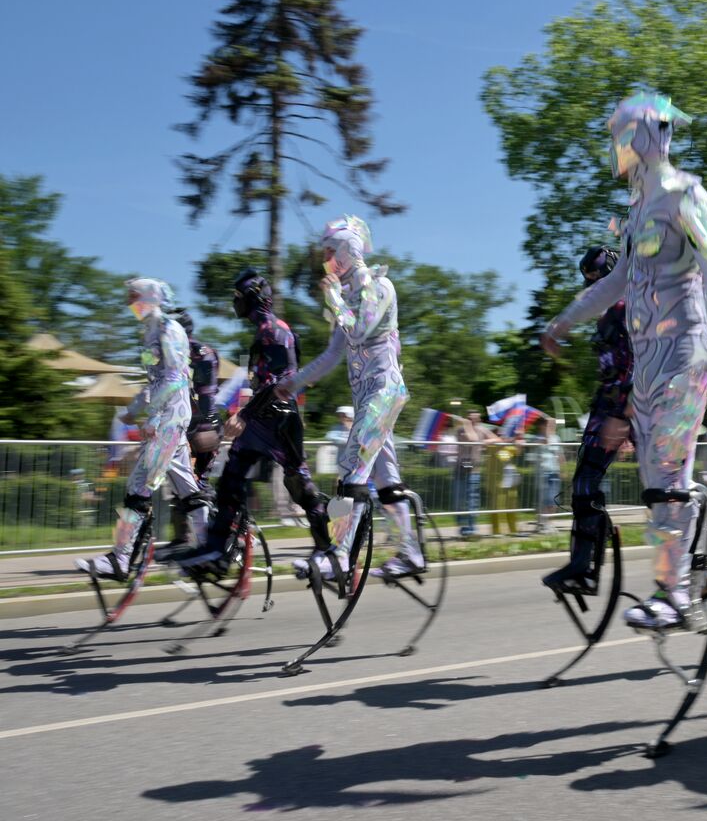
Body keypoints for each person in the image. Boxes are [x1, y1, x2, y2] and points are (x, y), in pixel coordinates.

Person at [543, 93, 707, 629]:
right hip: (648, 364)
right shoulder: (635, 214)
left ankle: (673, 595)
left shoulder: (685, 194)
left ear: (651, 137)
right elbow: (615, 283)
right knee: (661, 482)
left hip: (684, 352)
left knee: (668, 479)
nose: (620, 148)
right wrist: (562, 321)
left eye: (626, 137)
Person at [280, 215, 420, 580]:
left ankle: (340, 556)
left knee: (351, 468)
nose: (324, 259)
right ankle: (411, 553)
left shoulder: (380, 286)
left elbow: (358, 332)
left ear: (347, 248)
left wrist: (333, 297)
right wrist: (290, 385)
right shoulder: (350, 296)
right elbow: (331, 356)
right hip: (370, 398)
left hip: (383, 392)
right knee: (386, 478)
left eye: (329, 250)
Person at [180, 271, 334, 575]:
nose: (233, 303)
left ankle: (327, 547)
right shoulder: (262, 331)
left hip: (281, 420)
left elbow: (281, 383)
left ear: (251, 297)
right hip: (260, 420)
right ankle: (217, 551)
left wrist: (243, 415)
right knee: (231, 480)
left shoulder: (274, 332)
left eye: (237, 297)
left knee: (298, 483)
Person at [78, 280, 210, 580]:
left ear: (150, 297)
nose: (130, 303)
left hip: (171, 418)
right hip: (165, 419)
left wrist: (152, 418)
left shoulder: (170, 330)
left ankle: (121, 559)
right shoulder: (149, 332)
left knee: (138, 485)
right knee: (187, 489)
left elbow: (176, 378)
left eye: (133, 297)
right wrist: (131, 412)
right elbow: (154, 383)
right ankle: (207, 547)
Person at [542, 246, 633, 591]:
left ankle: (704, 562)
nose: (591, 284)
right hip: (608, 400)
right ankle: (583, 567)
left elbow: (643, 361)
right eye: (588, 279)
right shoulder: (604, 308)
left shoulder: (631, 306)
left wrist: (625, 416)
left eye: (598, 278)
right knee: (583, 483)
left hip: (636, 398)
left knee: (667, 492)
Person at [155, 307, 221, 559]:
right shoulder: (182, 354)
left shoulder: (198, 353)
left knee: (197, 486)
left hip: (202, 428)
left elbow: (204, 395)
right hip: (188, 426)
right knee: (182, 485)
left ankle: (231, 534)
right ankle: (184, 538)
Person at [453, 409, 495, 537]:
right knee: (459, 499)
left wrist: (486, 442)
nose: (471, 421)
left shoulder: (482, 429)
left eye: (474, 419)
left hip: (474, 469)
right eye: (469, 419)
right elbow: (472, 438)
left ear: (479, 420)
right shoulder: (461, 430)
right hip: (461, 467)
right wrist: (467, 426)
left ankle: (471, 528)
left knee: (472, 499)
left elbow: (497, 438)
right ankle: (462, 524)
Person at [535, 417, 563, 534]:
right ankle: (542, 523)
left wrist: (562, 468)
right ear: (543, 426)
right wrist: (546, 432)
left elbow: (559, 454)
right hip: (544, 472)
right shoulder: (538, 437)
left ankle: (549, 523)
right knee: (545, 499)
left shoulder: (557, 438)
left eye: (553, 424)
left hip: (554, 472)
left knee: (553, 499)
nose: (552, 426)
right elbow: (544, 442)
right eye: (549, 424)